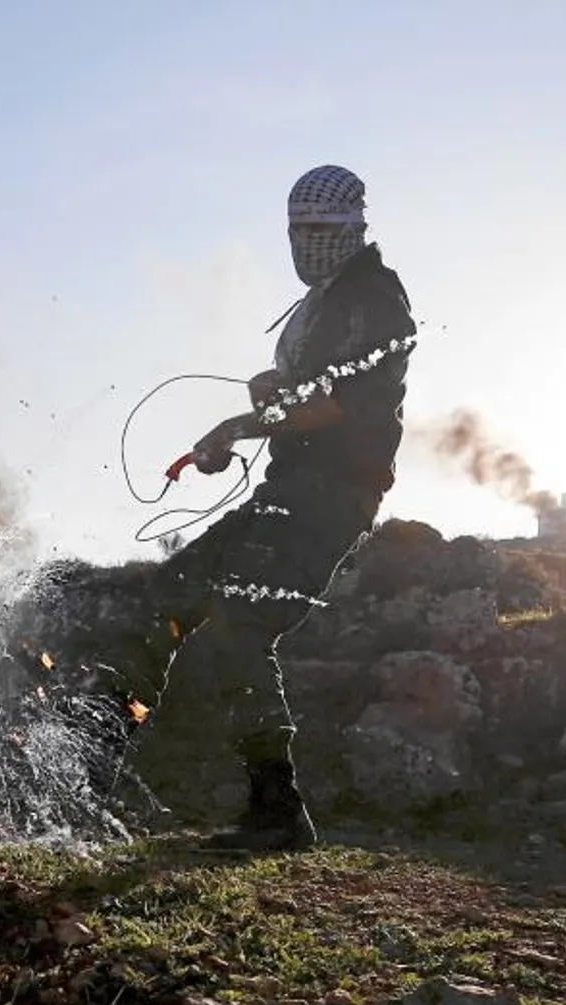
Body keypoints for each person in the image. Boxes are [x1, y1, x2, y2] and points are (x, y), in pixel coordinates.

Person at [112, 164, 417, 851]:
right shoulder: (320, 303)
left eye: (319, 229)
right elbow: (300, 394)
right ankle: (96, 755)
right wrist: (266, 393)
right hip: (287, 491)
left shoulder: (374, 294)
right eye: (295, 229)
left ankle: (278, 811)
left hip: (331, 497)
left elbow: (338, 401)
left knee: (240, 629)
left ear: (353, 229)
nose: (304, 242)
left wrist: (239, 427)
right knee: (172, 592)